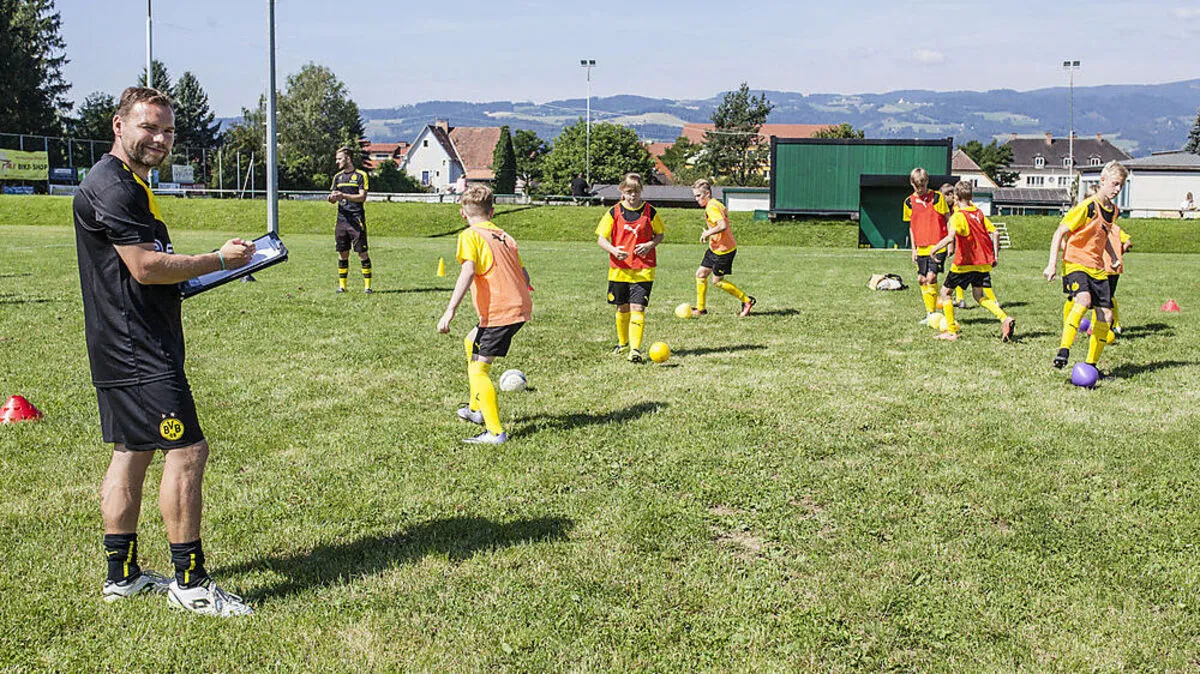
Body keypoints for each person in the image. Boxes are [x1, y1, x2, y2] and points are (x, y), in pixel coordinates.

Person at [73, 87, 256, 616]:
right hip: (138, 350)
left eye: (168, 130)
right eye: (149, 127)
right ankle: (190, 583)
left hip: (126, 343)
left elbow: (149, 267)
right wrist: (218, 259)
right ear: (119, 126)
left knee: (132, 450)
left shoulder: (126, 182)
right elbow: (145, 267)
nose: (160, 139)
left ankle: (122, 576)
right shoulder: (113, 186)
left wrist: (195, 275)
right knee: (187, 451)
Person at [437, 183, 533, 445]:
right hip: (518, 306)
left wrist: (450, 310)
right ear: (492, 212)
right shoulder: (505, 236)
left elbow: (468, 272)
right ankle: (476, 408)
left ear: (463, 213)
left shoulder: (470, 235)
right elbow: (524, 275)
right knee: (471, 341)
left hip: (500, 311)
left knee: (479, 370)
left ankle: (495, 432)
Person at [1044, 161, 1128, 370]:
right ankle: (1064, 350)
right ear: (1103, 180)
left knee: (1106, 315)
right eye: (1115, 184)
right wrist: (1052, 264)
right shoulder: (1087, 206)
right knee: (1083, 299)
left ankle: (1091, 365)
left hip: (1097, 267)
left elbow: (1103, 235)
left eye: (1121, 185)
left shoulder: (1113, 211)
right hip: (1075, 262)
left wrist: (1113, 256)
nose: (1117, 189)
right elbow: (1059, 232)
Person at [927, 181, 1015, 342]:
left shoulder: (958, 216)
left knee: (945, 293)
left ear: (956, 197)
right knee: (978, 295)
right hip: (982, 263)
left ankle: (951, 331)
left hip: (964, 263)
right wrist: (995, 256)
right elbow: (996, 233)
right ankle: (1004, 318)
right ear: (971, 197)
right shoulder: (979, 213)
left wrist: (934, 249)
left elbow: (950, 237)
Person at [596, 173, 664, 363]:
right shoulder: (614, 212)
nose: (633, 195)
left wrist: (650, 244)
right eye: (629, 192)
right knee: (622, 307)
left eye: (636, 191)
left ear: (641, 191)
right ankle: (623, 343)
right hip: (619, 269)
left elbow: (660, 234)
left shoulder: (650, 212)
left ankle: (635, 350)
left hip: (643, 269)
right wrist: (613, 250)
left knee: (638, 307)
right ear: (622, 191)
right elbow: (601, 239)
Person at [691, 179, 755, 317]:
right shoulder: (716, 203)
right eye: (695, 196)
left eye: (699, 195)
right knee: (701, 274)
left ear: (707, 193)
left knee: (717, 281)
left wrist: (707, 233)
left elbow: (722, 225)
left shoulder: (711, 207)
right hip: (714, 248)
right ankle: (701, 309)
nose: (696, 199)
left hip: (723, 251)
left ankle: (747, 300)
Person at [904, 168, 951, 327]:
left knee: (931, 277)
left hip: (938, 246)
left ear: (927, 182)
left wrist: (950, 242)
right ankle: (930, 313)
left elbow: (948, 219)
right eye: (917, 186)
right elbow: (911, 227)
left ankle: (933, 312)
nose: (920, 189)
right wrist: (913, 249)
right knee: (921, 279)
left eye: (923, 186)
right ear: (912, 184)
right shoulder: (909, 202)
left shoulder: (937, 198)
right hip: (921, 247)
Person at [328, 147, 372, 293]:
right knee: (342, 253)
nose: (337, 162)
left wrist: (344, 196)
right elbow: (333, 197)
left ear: (348, 158)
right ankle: (343, 287)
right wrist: (332, 198)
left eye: (339, 158)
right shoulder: (337, 177)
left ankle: (367, 287)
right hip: (341, 220)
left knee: (362, 253)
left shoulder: (360, 175)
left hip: (356, 219)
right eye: (336, 159)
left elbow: (362, 197)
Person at [939, 182, 967, 309]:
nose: (943, 201)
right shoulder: (954, 207)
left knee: (958, 271)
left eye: (944, 197)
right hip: (960, 242)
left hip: (962, 243)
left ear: (950, 195)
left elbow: (953, 227)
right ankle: (960, 298)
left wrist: (951, 245)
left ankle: (960, 299)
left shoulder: (957, 208)